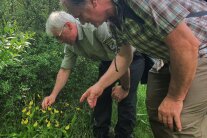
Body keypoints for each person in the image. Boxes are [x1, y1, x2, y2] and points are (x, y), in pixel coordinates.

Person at [61, 0, 207, 137]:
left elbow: (186, 45)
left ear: (93, 2)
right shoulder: (114, 21)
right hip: (168, 58)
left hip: (199, 50)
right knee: (158, 114)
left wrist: (175, 98)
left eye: (80, 15)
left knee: (183, 121)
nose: (83, 22)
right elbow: (124, 56)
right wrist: (100, 86)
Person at [41, 11, 146, 138]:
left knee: (126, 99)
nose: (60, 41)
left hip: (131, 58)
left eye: (59, 36)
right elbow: (65, 69)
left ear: (68, 25)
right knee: (99, 96)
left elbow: (122, 59)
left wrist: (125, 88)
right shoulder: (70, 45)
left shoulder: (96, 28)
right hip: (109, 60)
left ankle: (124, 134)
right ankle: (101, 133)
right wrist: (53, 95)